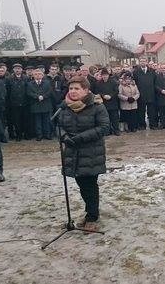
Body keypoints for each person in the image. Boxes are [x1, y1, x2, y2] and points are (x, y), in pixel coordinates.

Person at [58, 76, 109, 232]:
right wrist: (64, 136)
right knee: (81, 184)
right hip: (73, 152)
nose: (73, 91)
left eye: (77, 88)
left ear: (86, 90)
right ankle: (89, 213)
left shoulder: (97, 106)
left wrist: (79, 138)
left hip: (91, 152)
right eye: (71, 88)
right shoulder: (65, 106)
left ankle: (92, 216)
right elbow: (57, 124)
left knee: (89, 185)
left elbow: (104, 127)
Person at [27, 68, 53, 141]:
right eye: (36, 74)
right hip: (35, 104)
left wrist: (43, 96)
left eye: (39, 74)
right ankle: (39, 135)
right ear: (33, 75)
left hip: (45, 104)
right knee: (37, 121)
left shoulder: (47, 83)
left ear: (42, 75)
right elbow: (29, 93)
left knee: (46, 121)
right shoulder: (30, 84)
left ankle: (47, 134)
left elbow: (50, 92)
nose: (38, 75)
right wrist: (37, 97)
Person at [94, 68, 120, 135]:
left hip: (113, 102)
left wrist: (111, 96)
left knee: (114, 117)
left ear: (108, 75)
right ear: (101, 76)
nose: (104, 76)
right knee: (106, 118)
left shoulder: (113, 82)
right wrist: (103, 96)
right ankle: (107, 131)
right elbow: (97, 92)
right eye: (103, 75)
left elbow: (116, 91)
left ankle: (116, 130)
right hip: (104, 103)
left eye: (106, 75)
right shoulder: (98, 83)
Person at [133, 58, 157, 130]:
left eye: (144, 61)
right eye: (141, 61)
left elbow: (155, 82)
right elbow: (135, 83)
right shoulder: (136, 71)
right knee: (141, 111)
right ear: (139, 62)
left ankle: (152, 125)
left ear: (147, 62)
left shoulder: (152, 71)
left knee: (151, 111)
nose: (142, 62)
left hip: (151, 94)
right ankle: (142, 125)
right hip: (141, 94)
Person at [5, 63, 27, 141]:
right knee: (16, 120)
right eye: (16, 68)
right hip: (14, 103)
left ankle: (26, 135)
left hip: (25, 103)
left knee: (25, 119)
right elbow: (7, 92)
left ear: (21, 69)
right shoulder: (9, 79)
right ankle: (18, 135)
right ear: (13, 70)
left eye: (19, 68)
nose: (17, 70)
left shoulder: (26, 78)